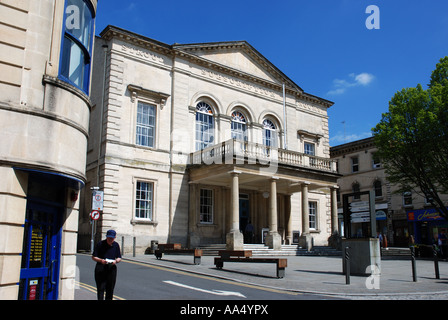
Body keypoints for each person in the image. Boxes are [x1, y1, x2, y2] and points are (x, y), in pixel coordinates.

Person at [92, 229, 122, 300]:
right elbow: (93, 257)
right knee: (100, 288)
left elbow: (119, 257)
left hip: (111, 269)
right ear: (106, 237)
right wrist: (101, 260)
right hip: (101, 268)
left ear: (114, 238)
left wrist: (116, 261)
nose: (110, 240)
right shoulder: (100, 244)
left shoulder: (116, 245)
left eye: (112, 238)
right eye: (109, 238)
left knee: (110, 289)